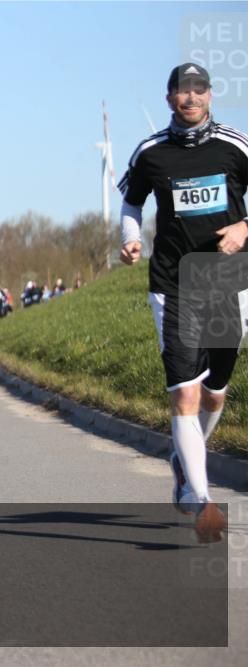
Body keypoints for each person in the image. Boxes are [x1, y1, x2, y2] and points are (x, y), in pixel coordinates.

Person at [118, 62, 248, 543]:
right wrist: (131, 239)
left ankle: (182, 457)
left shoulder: (236, 144)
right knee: (184, 393)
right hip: (172, 282)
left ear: (210, 96)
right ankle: (200, 498)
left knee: (215, 390)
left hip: (227, 278)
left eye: (199, 90)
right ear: (169, 97)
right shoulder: (151, 153)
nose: (191, 98)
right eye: (182, 91)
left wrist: (244, 227)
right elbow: (132, 203)